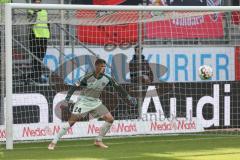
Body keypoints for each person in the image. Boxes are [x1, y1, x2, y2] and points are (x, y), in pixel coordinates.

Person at [48, 58, 137, 150]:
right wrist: (68, 97)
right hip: (83, 101)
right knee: (71, 122)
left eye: (105, 67)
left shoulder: (107, 77)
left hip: (95, 101)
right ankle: (53, 142)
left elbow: (118, 87)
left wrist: (128, 97)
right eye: (102, 66)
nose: (104, 68)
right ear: (97, 66)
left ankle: (98, 140)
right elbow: (74, 86)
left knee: (110, 119)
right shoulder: (87, 77)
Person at [28, 0, 50, 84]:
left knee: (41, 57)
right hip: (35, 36)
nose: (38, 3)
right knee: (35, 57)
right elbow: (30, 22)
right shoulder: (30, 10)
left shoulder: (44, 10)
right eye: (36, 2)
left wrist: (49, 33)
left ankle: (37, 75)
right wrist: (35, 12)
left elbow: (48, 23)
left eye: (39, 1)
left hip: (44, 36)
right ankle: (36, 76)